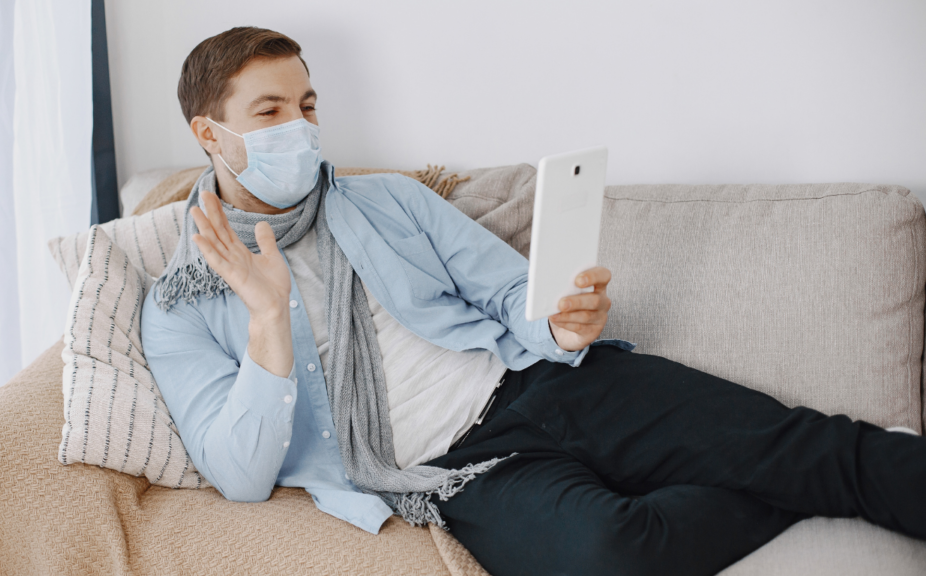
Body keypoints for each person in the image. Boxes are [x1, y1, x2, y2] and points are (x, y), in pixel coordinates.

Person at [139, 26, 926, 576]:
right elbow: (240, 475)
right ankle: (797, 484)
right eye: (271, 113)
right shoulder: (180, 303)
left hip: (539, 381)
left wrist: (554, 319)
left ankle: (819, 469)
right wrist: (269, 320)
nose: (301, 130)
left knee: (809, 445)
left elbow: (507, 289)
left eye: (308, 107)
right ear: (211, 135)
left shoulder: (387, 202)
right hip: (457, 469)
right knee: (614, 557)